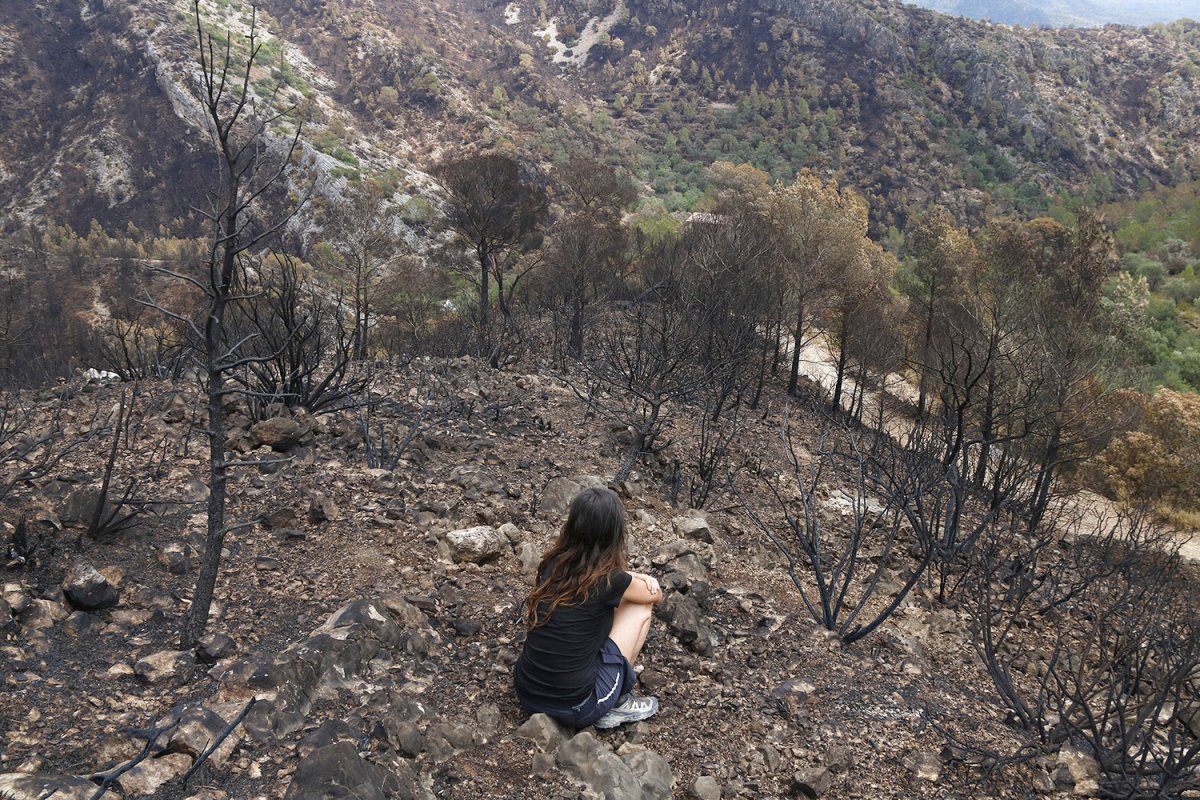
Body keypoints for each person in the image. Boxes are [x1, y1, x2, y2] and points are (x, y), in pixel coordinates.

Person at [513, 487, 663, 729]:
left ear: (573, 526)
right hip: (575, 707)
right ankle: (617, 702)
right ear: (614, 534)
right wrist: (640, 576)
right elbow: (654, 596)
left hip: (527, 694)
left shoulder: (552, 565)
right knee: (640, 609)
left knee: (603, 610)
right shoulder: (610, 581)